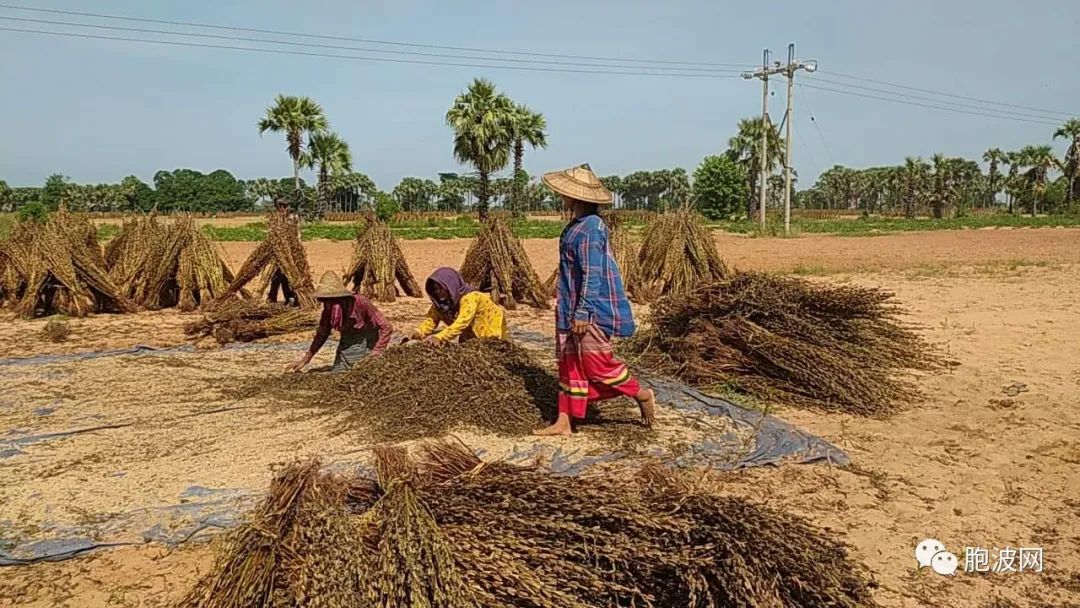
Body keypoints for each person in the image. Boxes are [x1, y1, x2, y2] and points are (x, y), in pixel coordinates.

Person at [534, 164, 655, 436]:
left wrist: (583, 312)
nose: (561, 196)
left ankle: (641, 393)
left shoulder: (591, 228)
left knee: (597, 364)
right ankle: (564, 422)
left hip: (589, 310)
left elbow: (593, 272)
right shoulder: (575, 226)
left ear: (575, 197)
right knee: (569, 365)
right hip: (569, 305)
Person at [287, 271, 393, 373]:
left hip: (368, 337)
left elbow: (386, 327)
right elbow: (321, 335)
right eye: (325, 301)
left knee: (359, 370)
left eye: (331, 301)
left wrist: (377, 351)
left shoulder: (361, 302)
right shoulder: (328, 311)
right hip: (347, 340)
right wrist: (306, 359)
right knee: (339, 371)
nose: (327, 305)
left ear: (340, 298)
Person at [409, 267, 508, 344]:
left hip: (490, 326)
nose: (438, 292)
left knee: (491, 352)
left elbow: (462, 322)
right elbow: (431, 320)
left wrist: (439, 337)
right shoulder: (441, 304)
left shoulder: (470, 298)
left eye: (441, 288)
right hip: (469, 332)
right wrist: (418, 332)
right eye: (435, 289)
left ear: (450, 285)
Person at [269, 198, 298, 305]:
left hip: (290, 255)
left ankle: (290, 297)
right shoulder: (275, 220)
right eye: (280, 206)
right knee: (276, 277)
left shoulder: (292, 219)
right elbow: (272, 236)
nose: (282, 208)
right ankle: (272, 298)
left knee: (288, 277)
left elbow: (295, 238)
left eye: (285, 206)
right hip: (278, 255)